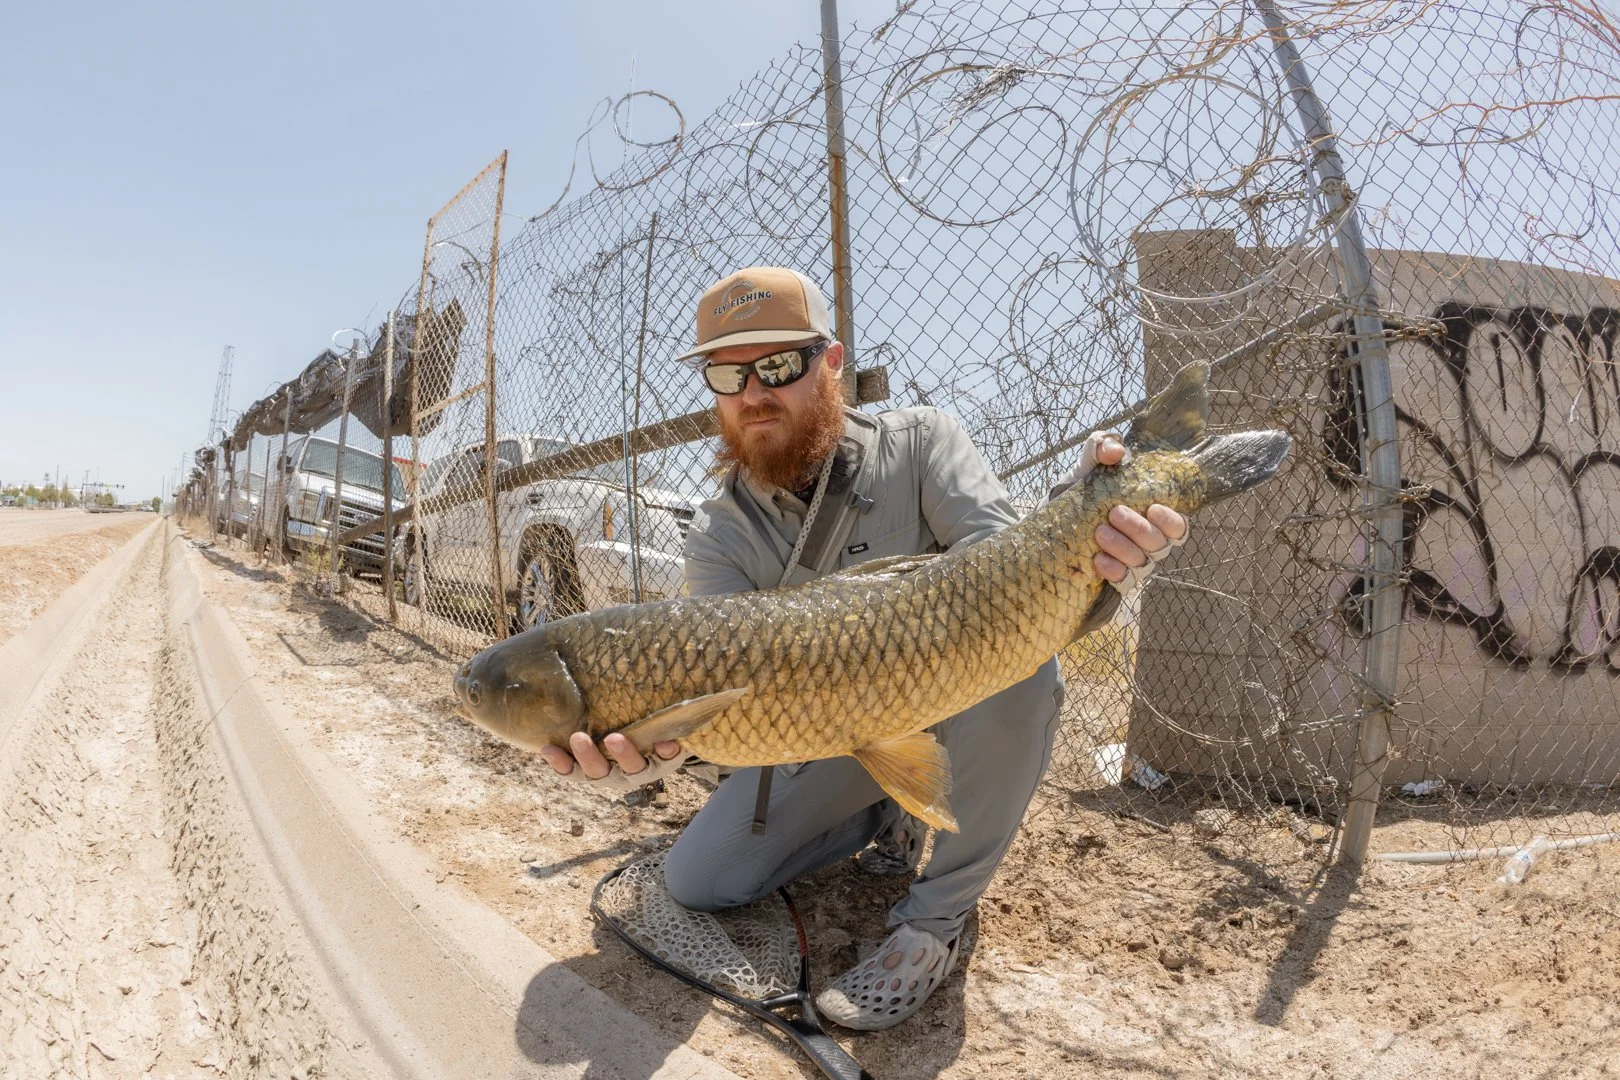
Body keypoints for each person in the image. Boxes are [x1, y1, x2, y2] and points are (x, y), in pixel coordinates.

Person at [540, 267, 1187, 1030]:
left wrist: (1087, 528)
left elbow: (1014, 578)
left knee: (1024, 674)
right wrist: (651, 746)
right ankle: (891, 811)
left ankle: (934, 924)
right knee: (700, 882)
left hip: (958, 698)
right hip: (826, 737)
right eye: (727, 373)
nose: (753, 394)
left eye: (778, 366)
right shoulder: (720, 533)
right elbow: (725, 700)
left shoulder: (923, 443)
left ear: (833, 363)